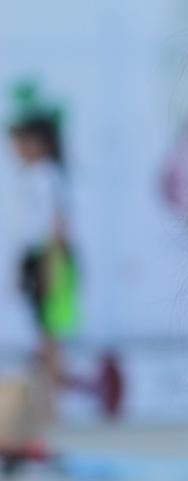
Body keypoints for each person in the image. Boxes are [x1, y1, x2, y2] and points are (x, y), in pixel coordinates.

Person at [8, 115, 77, 418]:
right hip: (35, 256)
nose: (17, 148)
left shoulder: (46, 175)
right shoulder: (29, 176)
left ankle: (52, 404)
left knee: (50, 332)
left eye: (23, 142)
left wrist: (51, 266)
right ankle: (46, 401)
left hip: (48, 257)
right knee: (42, 330)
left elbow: (56, 224)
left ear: (40, 144)